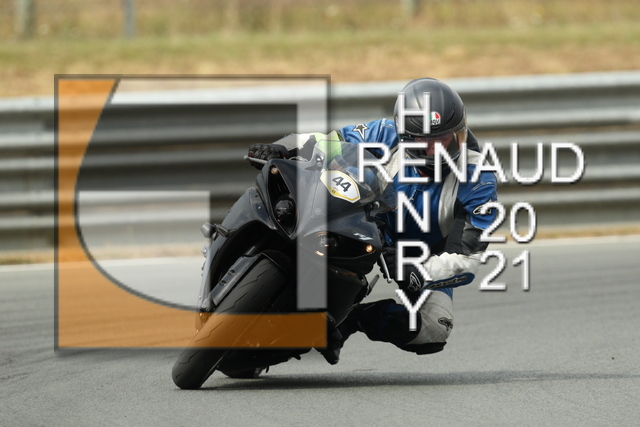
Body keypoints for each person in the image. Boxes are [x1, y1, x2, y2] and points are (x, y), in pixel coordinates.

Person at [247, 78, 498, 364]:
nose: (438, 149)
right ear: (406, 136)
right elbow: (327, 142)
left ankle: (352, 319)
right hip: (361, 220)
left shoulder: (479, 177)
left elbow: (467, 257)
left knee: (434, 328)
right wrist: (282, 147)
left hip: (419, 255)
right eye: (427, 142)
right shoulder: (384, 133)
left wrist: (420, 271)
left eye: (446, 138)